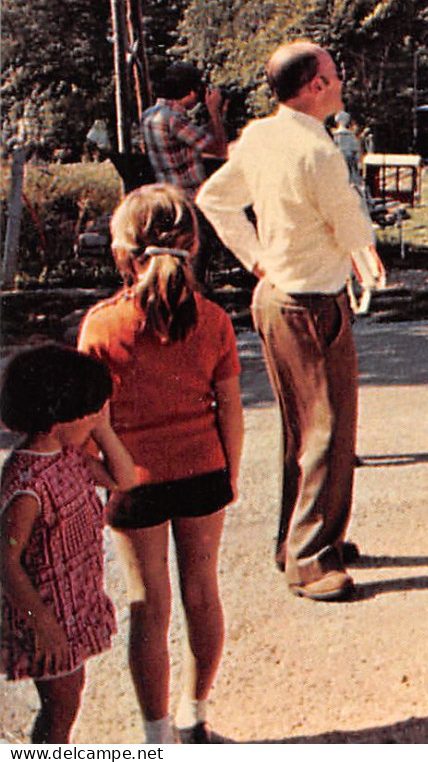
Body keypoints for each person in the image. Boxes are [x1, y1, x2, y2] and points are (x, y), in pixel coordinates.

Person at [197, 42, 382, 603]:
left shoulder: (259, 137)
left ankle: (303, 540)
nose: (341, 80)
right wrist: (368, 261)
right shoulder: (318, 153)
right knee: (327, 429)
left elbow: (214, 198)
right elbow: (350, 225)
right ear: (316, 87)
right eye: (335, 73)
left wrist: (257, 257)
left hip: (280, 296)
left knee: (306, 430)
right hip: (310, 303)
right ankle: (309, 561)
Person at [78, 184, 243, 744]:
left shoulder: (101, 326)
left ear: (123, 251)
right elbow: (231, 413)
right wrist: (229, 475)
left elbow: (82, 426)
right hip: (204, 473)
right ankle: (195, 712)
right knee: (203, 591)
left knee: (148, 604)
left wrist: (107, 480)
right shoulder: (215, 320)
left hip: (135, 484)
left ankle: (157, 737)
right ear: (194, 245)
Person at [1, 344, 138, 743]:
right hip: (43, 615)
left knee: (69, 696)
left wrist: (102, 429)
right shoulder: (27, 484)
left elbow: (123, 479)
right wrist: (44, 626)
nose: (98, 417)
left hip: (72, 603)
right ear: (58, 417)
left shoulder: (68, 454)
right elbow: (6, 559)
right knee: (59, 706)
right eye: (91, 411)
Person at [141, 62, 227, 199]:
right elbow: (219, 150)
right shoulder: (174, 120)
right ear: (192, 93)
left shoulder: (149, 115)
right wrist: (214, 112)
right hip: (190, 196)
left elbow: (201, 137)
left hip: (168, 194)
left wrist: (216, 116)